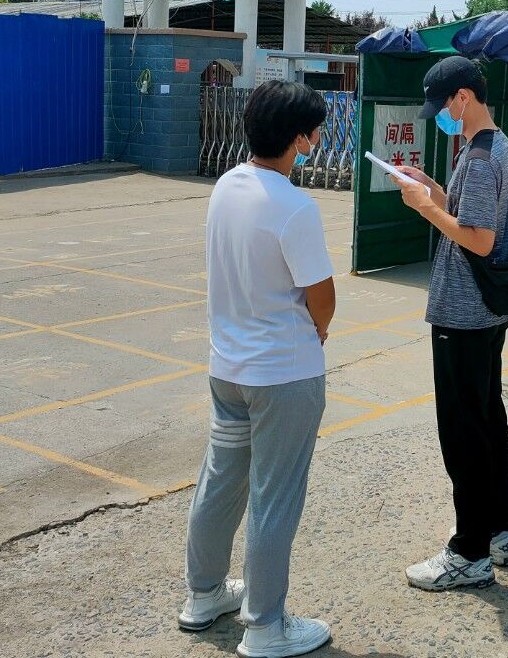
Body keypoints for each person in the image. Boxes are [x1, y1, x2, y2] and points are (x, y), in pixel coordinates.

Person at [180, 80, 337, 658]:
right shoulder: (294, 206)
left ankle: (203, 595)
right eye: (314, 132)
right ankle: (266, 626)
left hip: (228, 369)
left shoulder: (226, 186)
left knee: (221, 480)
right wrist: (319, 329)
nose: (317, 140)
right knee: (275, 497)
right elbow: (321, 296)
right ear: (298, 139)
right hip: (283, 376)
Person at [396, 56, 508, 591]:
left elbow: (480, 240)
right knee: (487, 419)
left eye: (442, 106)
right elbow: (470, 215)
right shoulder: (492, 146)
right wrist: (432, 188)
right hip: (485, 311)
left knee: (463, 430)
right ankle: (496, 531)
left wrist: (425, 208)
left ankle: (469, 552)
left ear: (463, 98)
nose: (441, 116)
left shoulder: (483, 157)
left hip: (463, 313)